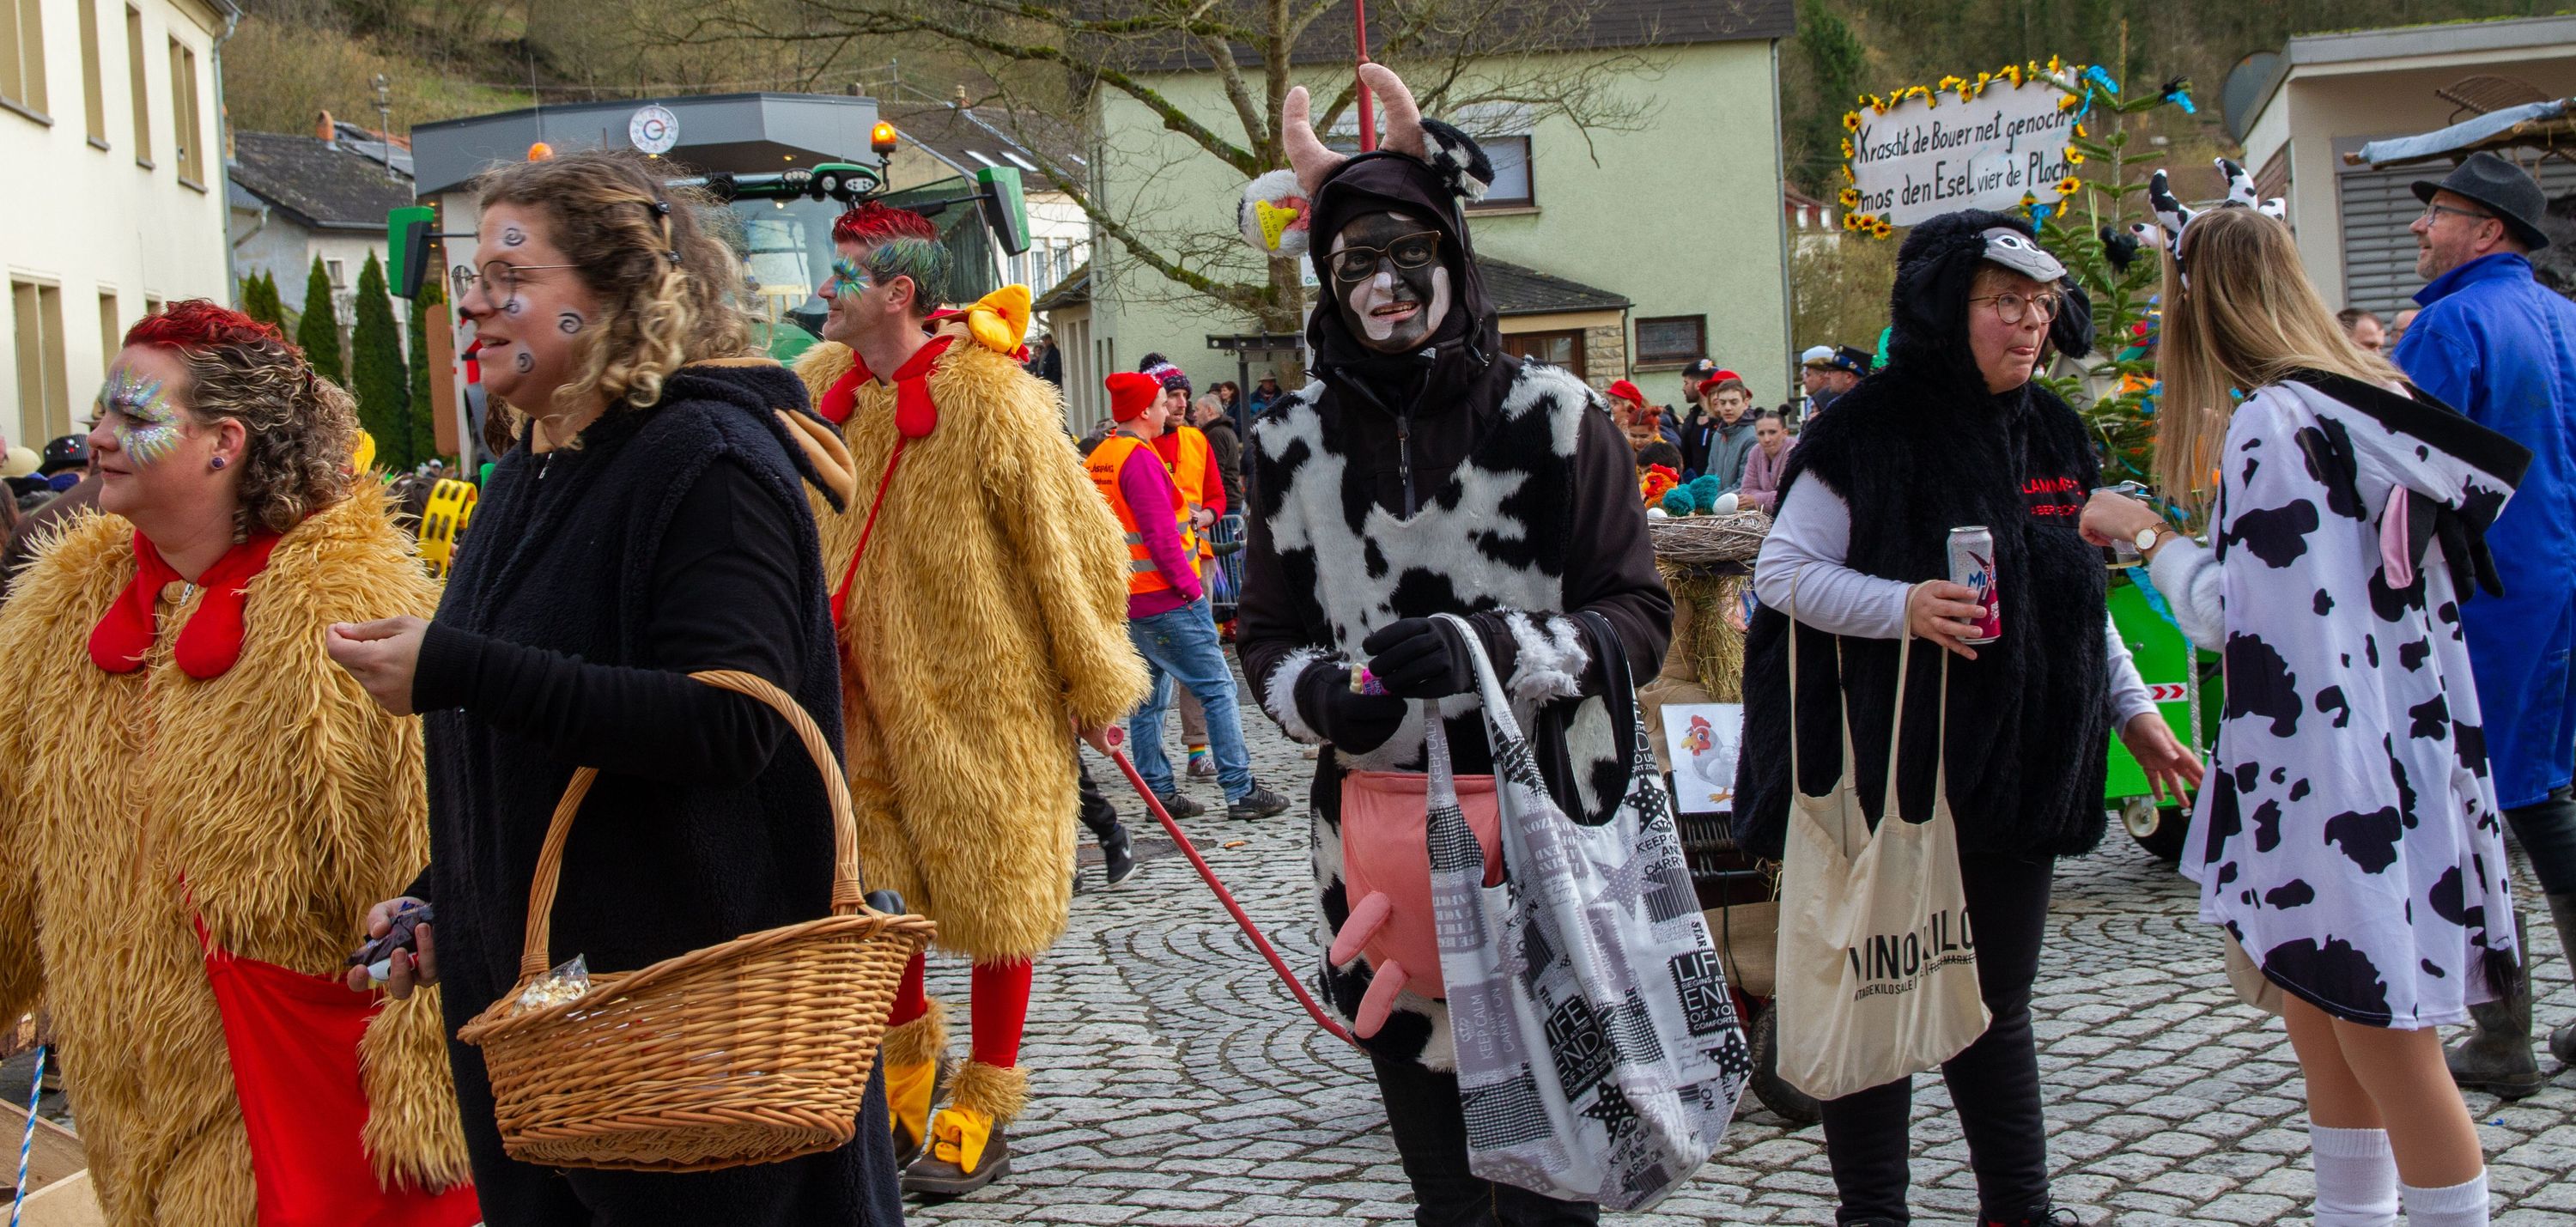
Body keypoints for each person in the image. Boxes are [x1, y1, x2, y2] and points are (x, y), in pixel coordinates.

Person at [326, 150, 904, 1224]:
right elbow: (543, 738)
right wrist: (449, 893)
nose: (477, 306)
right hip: (556, 1035)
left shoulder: (709, 463)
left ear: (619, 295)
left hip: (699, 1050)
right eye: (469, 280)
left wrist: (453, 667)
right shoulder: (529, 471)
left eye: (512, 275)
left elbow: (733, 722)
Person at [1235, 64, 1672, 1225]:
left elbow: (1639, 617)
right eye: (1354, 260)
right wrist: (1319, 696)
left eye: (1407, 253)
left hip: (1550, 843)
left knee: (1554, 1185)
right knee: (1446, 1190)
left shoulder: (1559, 420)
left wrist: (1501, 648)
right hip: (1378, 859)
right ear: (1323, 276)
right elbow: (1265, 635)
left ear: (1454, 256)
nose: (1383, 283)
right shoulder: (1284, 440)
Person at [1735, 211, 2202, 1227]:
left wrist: (2130, 712)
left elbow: (2075, 598)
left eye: (2039, 305)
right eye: (2003, 303)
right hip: (1889, 769)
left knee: (1996, 1009)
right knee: (1877, 998)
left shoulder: (2057, 432)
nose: (2027, 325)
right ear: (1950, 308)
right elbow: (1782, 575)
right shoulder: (1867, 428)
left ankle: (2019, 1211)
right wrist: (1900, 606)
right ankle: (1875, 1214)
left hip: (2022, 773)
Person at [2084, 192, 2527, 1227]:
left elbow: (2242, 614)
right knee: (2332, 1028)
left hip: (2330, 775)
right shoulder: (2375, 398)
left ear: (2201, 308)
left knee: (2382, 1039)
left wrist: (2146, 535)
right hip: (2396, 752)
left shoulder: (2276, 422)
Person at [0, 302, 477, 1225]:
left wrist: (423, 1115)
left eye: (133, 417)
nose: (96, 437)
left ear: (225, 442)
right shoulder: (61, 612)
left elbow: (424, 863)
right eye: (104, 411)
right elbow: (13, 845)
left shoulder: (345, 611)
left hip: (288, 1101)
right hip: (120, 1105)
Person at [788, 197, 1151, 1194]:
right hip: (854, 698)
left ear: (899, 293)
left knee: (999, 898)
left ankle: (985, 1098)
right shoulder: (819, 388)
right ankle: (907, 1075)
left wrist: (1093, 677)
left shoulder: (996, 398)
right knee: (879, 892)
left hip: (981, 692)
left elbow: (1072, 544)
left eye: (845, 273)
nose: (825, 289)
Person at [2386, 150, 2576, 1096]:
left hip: (2491, 599)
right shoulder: (2565, 317)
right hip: (2562, 590)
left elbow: (2394, 479)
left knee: (2478, 806)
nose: (2422, 228)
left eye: (2440, 214)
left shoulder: (2453, 324)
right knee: (2543, 796)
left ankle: (2501, 1034)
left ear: (2487, 231)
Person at [1091, 369, 1290, 820]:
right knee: (1218, 687)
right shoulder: (1139, 460)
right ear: (1144, 411)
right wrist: (1190, 593)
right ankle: (1240, 790)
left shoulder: (1100, 457)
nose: (1169, 410)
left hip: (1126, 600)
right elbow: (1161, 539)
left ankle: (1159, 795)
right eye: (1163, 403)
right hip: (1166, 598)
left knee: (1148, 698)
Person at [1697, 375, 1761, 495]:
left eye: (1733, 402)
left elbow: (1744, 485)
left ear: (1745, 403)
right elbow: (1710, 474)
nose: (1727, 408)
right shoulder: (1718, 435)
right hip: (1718, 508)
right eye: (1723, 402)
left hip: (1740, 509)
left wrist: (1711, 502)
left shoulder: (1752, 438)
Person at [1735, 408, 1794, 513]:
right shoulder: (1756, 451)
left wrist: (1757, 500)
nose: (1767, 439)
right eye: (1761, 433)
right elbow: (1747, 489)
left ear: (1785, 433)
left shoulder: (1795, 453)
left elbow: (1791, 496)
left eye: (1772, 432)